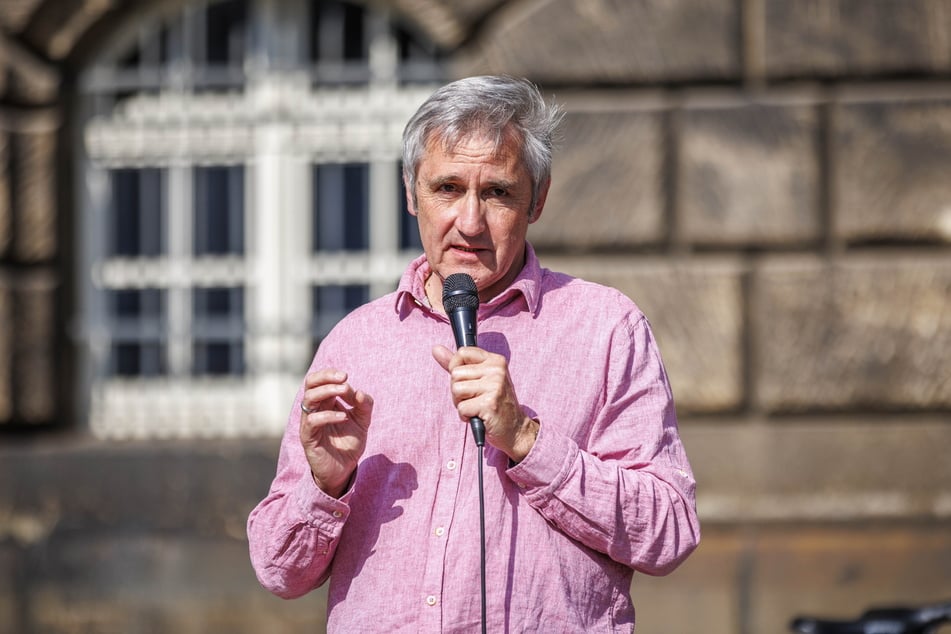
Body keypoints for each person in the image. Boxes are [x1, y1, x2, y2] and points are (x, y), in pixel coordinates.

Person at [247, 75, 700, 632]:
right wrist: (326, 484)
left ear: (538, 198)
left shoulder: (607, 328)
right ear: (411, 194)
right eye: (447, 188)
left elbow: (670, 532)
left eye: (497, 193)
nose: (469, 222)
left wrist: (528, 440)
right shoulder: (355, 342)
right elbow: (278, 570)